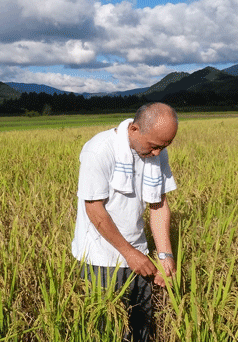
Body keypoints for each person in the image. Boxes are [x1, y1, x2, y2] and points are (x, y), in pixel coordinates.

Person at [71, 102, 179, 341]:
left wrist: (165, 256)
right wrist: (129, 254)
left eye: (164, 146)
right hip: (100, 259)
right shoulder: (99, 151)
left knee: (140, 326)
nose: (157, 154)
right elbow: (94, 209)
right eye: (153, 146)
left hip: (138, 254)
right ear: (134, 130)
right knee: (106, 329)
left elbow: (158, 204)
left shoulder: (156, 151)